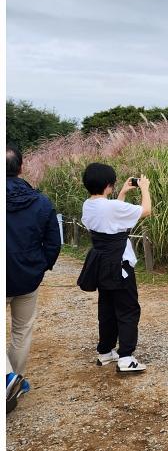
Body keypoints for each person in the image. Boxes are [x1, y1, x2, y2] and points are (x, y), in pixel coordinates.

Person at [77, 163, 151, 373]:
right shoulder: (111, 207)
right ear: (108, 185)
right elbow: (146, 210)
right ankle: (126, 357)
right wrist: (144, 188)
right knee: (128, 308)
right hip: (119, 264)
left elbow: (111, 216)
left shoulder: (88, 205)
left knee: (107, 307)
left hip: (101, 263)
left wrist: (122, 193)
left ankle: (105, 351)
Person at [6, 142, 61, 407]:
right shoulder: (40, 201)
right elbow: (53, 242)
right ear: (22, 166)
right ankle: (13, 379)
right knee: (21, 331)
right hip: (27, 277)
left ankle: (7, 379)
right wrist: (41, 266)